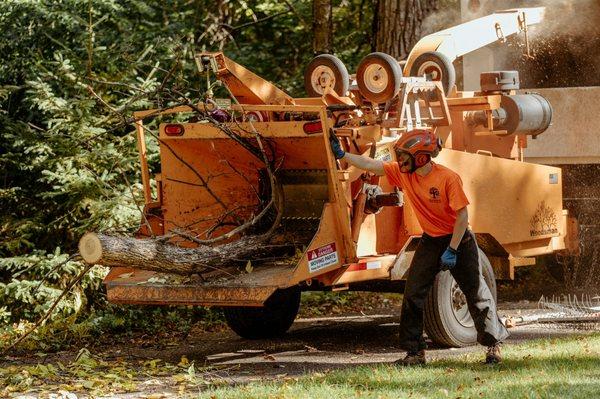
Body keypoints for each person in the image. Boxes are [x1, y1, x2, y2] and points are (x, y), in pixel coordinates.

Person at [329, 129, 509, 365]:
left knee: (476, 292)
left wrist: (453, 249)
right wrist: (343, 154)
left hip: (459, 240)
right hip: (431, 240)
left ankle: (493, 345)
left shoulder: (447, 178)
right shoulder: (404, 174)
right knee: (413, 294)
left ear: (422, 158)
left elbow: (462, 217)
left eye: (404, 156)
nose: (399, 161)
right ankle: (414, 353)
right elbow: (371, 165)